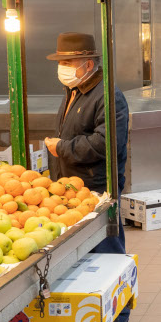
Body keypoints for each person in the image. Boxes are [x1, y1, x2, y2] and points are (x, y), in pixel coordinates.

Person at [44, 32, 129, 252]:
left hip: (98, 189)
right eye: (60, 62)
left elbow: (106, 143)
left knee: (105, 247)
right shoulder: (74, 90)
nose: (61, 68)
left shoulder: (108, 96)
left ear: (88, 64)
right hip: (74, 187)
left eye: (67, 62)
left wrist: (62, 147)